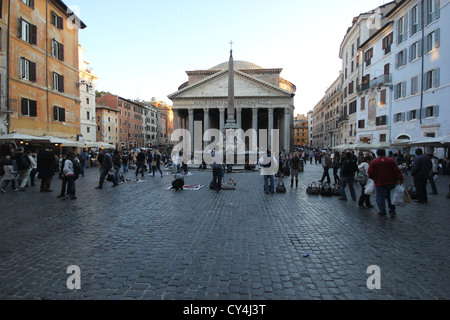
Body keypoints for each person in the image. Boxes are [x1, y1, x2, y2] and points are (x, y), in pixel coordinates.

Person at [368, 149, 404, 218]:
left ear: (377, 153)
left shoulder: (374, 161)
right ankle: (392, 211)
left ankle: (382, 212)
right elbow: (397, 170)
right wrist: (400, 178)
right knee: (391, 196)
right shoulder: (391, 160)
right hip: (391, 181)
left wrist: (373, 178)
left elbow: (370, 172)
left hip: (379, 182)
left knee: (380, 197)